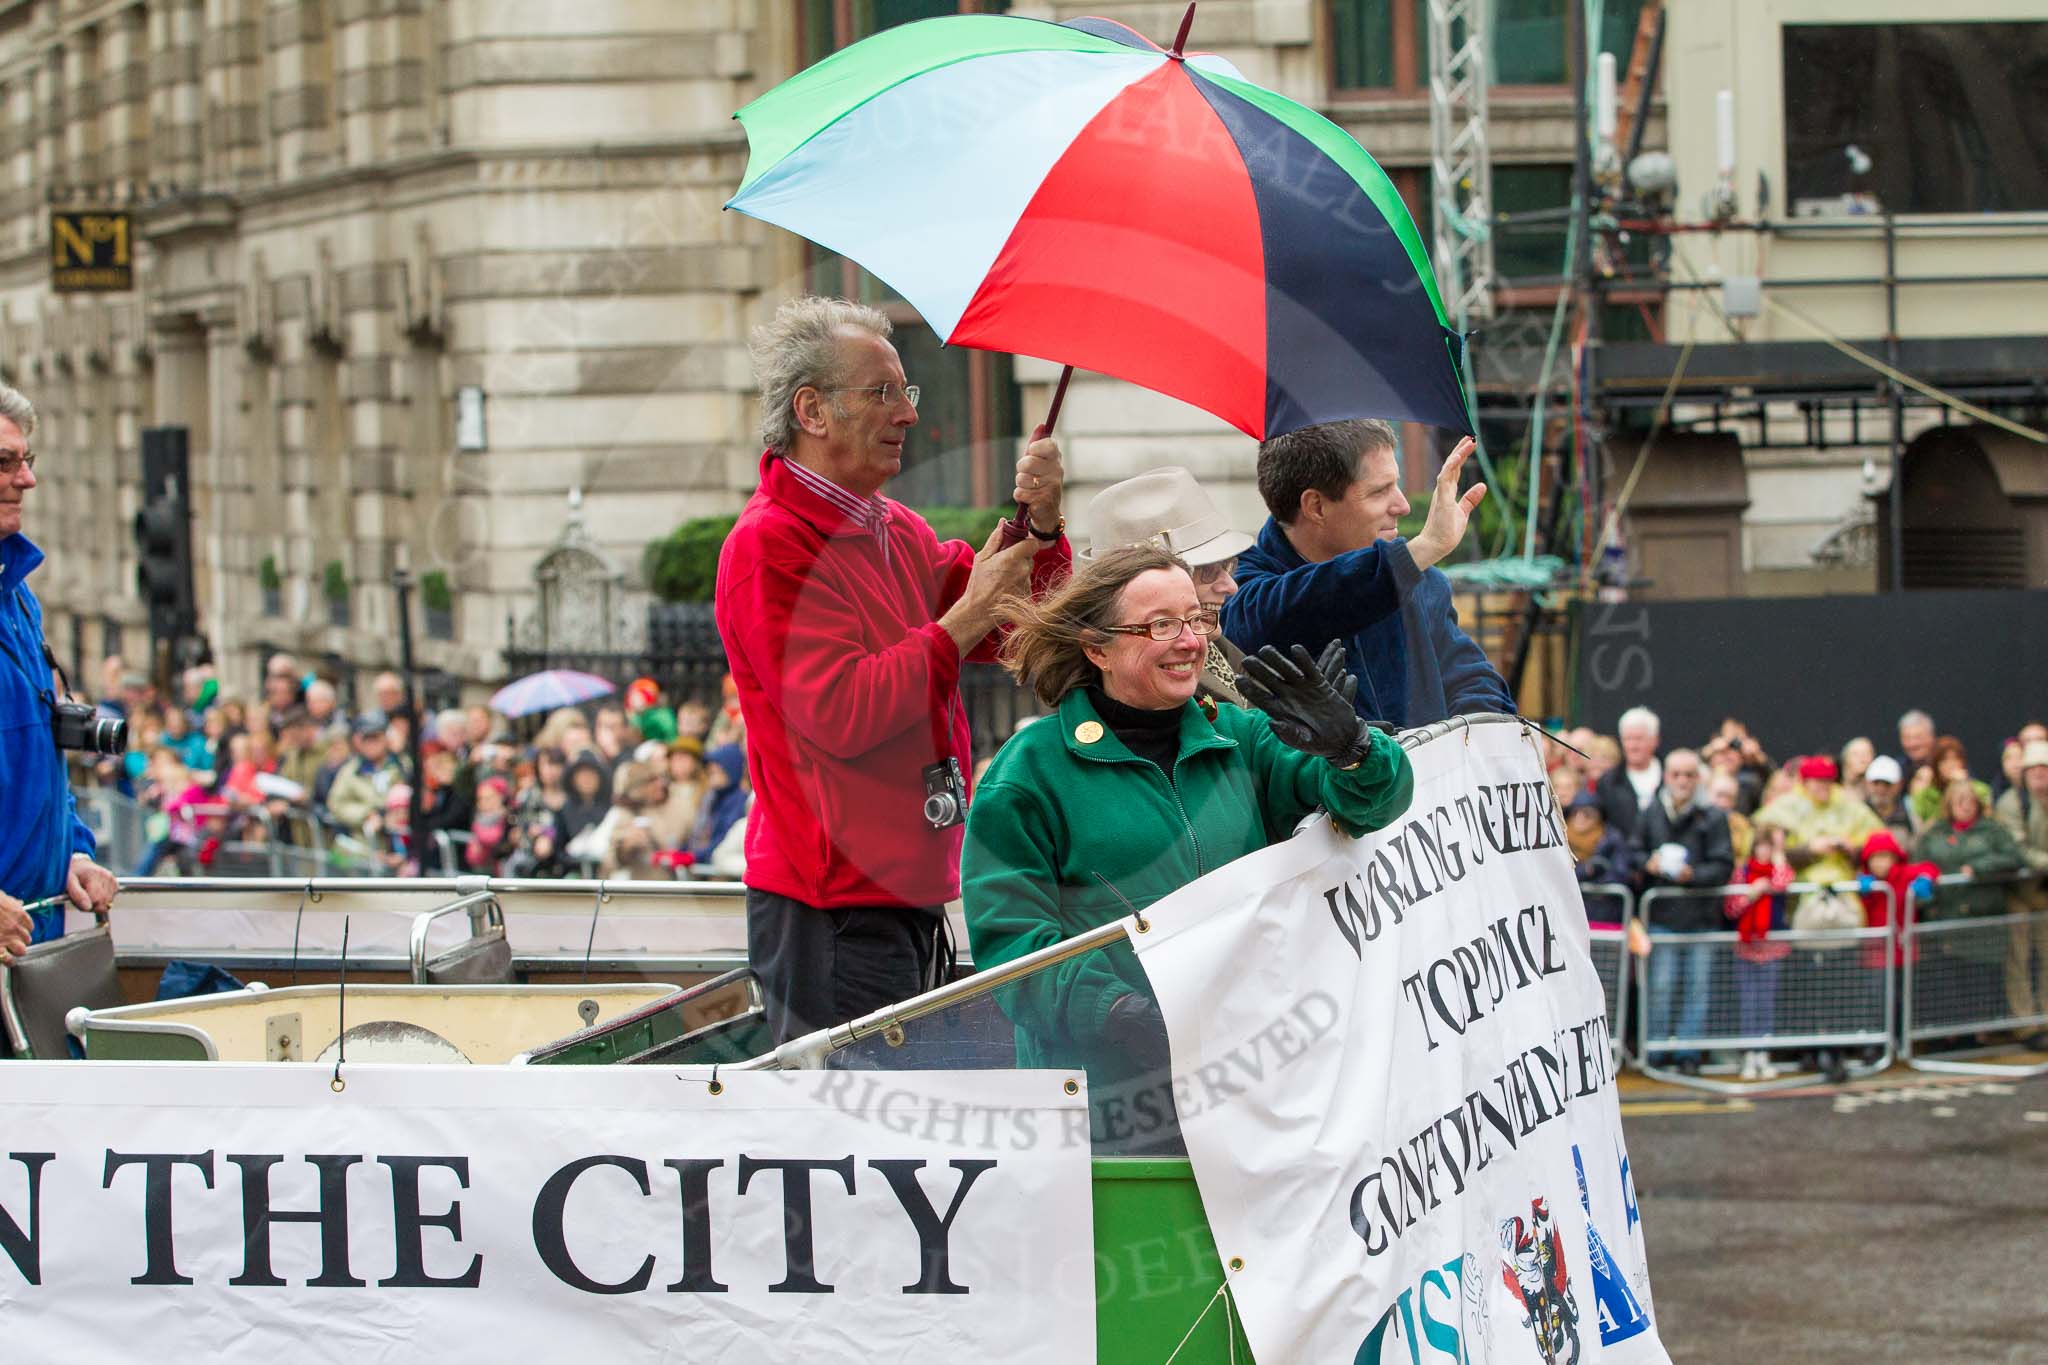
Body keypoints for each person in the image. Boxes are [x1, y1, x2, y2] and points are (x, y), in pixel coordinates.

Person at [962, 545, 1413, 1151]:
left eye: (1197, 619)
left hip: (1251, 1093)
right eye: (1160, 625)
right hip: (1105, 1115)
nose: (1190, 641)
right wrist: (1121, 1014)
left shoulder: (1243, 737)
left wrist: (1353, 746)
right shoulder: (1030, 773)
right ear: (1097, 648)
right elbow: (1011, 949)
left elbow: (1376, 803)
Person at [714, 296, 1072, 1043]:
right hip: (833, 905)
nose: (908, 413)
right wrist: (962, 619)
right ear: (811, 410)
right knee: (853, 1134)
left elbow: (1016, 623)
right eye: (883, 392)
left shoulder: (892, 527)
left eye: (904, 392)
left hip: (902, 889)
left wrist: (1038, 524)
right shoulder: (769, 546)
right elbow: (841, 714)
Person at [1223, 420, 1512, 729]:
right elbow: (1290, 609)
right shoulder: (1234, 587)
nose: (1402, 505)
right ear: (1316, 506)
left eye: (1396, 484)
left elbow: (1473, 683)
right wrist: (1423, 550)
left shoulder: (1419, 579)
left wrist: (1474, 739)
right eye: (1379, 491)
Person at [0, 382, 119, 953]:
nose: (27, 479)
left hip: (31, 942)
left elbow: (36, 759)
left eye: (27, 460)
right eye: (4, 463)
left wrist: (72, 849)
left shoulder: (18, 596)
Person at [1083, 466, 1254, 706]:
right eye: (1208, 571)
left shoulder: (1219, 650)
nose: (1230, 586)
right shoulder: (1143, 683)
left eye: (1228, 566)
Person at [1634, 748, 1734, 1075]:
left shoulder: (1714, 816)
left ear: (1698, 778)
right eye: (1677, 774)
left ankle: (1688, 1052)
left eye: (1689, 775)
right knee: (1661, 986)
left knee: (1697, 988)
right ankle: (1658, 1048)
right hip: (1662, 917)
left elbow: (1723, 865)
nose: (1683, 781)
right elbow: (1633, 852)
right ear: (1666, 777)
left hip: (1701, 918)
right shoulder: (1651, 812)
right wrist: (1647, 864)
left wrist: (1694, 875)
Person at [1914, 779, 2030, 1040]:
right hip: (1945, 915)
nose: (1965, 806)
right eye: (1959, 801)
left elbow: (2014, 857)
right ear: (1949, 805)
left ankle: (1980, 1032)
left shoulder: (1991, 830)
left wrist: (1980, 866)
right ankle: (1950, 1035)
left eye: (1970, 801)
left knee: (1980, 979)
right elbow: (1919, 865)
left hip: (1982, 917)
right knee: (1948, 981)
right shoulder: (1935, 833)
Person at [1726, 823, 1796, 1080]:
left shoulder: (1778, 870)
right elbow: (1731, 907)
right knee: (1749, 1002)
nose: (1767, 851)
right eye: (1764, 846)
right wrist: (1751, 895)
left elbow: (1784, 882)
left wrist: (1778, 862)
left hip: (1772, 949)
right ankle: (1749, 1052)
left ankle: (1763, 1051)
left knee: (1766, 1002)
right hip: (1747, 947)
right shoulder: (1742, 872)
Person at [1992, 739, 2048, 1043]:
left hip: (2044, 891)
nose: (2040, 774)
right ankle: (2026, 1024)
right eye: (2034, 769)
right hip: (2019, 893)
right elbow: (2019, 850)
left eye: (2045, 768)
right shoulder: (2012, 804)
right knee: (2020, 958)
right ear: (2024, 773)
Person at [324, 712, 408, 839]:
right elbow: (336, 804)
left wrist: (393, 815)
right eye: (366, 739)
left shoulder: (402, 764)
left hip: (401, 839)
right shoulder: (350, 770)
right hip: (364, 843)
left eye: (375, 737)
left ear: (385, 738)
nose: (371, 743)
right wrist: (366, 814)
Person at [1595, 706, 1663, 840]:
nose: (1632, 746)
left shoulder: (1671, 776)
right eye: (1627, 739)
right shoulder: (1608, 782)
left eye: (1638, 739)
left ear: (1655, 740)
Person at [1861, 755, 1916, 839]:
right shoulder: (1858, 813)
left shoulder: (1910, 814)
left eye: (1887, 784)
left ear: (1899, 784)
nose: (1881, 789)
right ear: (1866, 783)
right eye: (1876, 783)